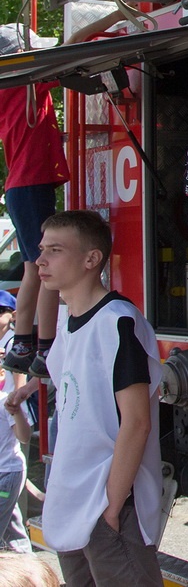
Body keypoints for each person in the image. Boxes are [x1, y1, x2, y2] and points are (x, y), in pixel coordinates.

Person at [32, 210, 163, 587]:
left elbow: (137, 423)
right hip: (75, 506)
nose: (41, 260)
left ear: (92, 259)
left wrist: (112, 503)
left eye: (55, 250)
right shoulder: (65, 324)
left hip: (108, 509)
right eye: (42, 249)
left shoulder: (117, 321)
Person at [0, 25, 68, 381]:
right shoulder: (27, 84)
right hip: (28, 184)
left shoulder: (14, 89)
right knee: (41, 269)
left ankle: (27, 342)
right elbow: (69, 51)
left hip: (23, 186)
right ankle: (38, 343)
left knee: (35, 267)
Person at [0, 363, 31, 555]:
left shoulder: (5, 403)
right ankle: (32, 572)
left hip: (7, 476)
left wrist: (17, 412)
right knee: (12, 532)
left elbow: (24, 436)